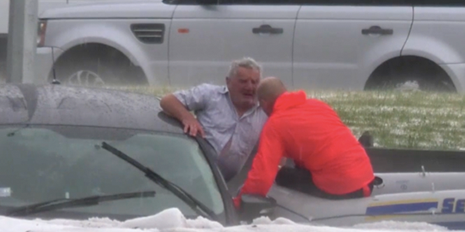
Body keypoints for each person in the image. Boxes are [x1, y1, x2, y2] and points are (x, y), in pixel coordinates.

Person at [234, 78, 376, 207]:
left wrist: (241, 201)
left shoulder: (275, 124)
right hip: (366, 177)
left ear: (264, 103)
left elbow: (262, 174)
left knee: (282, 175)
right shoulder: (318, 105)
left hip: (342, 188)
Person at [160, 58, 267, 182]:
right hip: (189, 173)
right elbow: (168, 101)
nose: (250, 87)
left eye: (255, 82)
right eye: (243, 81)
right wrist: (187, 118)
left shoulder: (265, 110)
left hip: (224, 185)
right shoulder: (210, 94)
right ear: (228, 82)